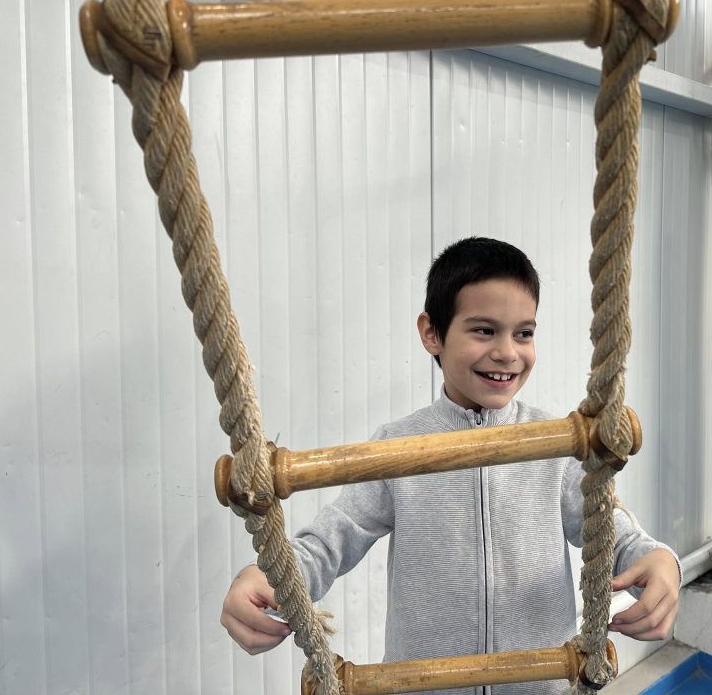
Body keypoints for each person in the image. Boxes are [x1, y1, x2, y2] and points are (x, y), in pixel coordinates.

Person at [220, 236, 681, 694]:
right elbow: (329, 541)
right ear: (432, 333)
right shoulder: (397, 447)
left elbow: (612, 533)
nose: (507, 352)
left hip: (544, 687)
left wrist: (659, 562)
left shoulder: (557, 444)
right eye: (484, 330)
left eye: (524, 333)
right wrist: (265, 577)